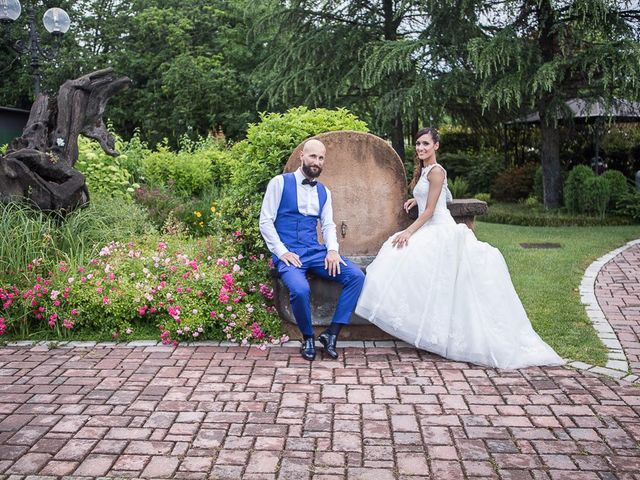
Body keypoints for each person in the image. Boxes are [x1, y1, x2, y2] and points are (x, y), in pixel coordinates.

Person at [355, 128, 564, 369]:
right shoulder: (425, 171)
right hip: (430, 225)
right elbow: (439, 198)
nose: (420, 148)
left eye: (425, 144)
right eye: (418, 144)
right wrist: (416, 199)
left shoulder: (437, 171)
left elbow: (431, 211)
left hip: (439, 229)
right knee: (408, 267)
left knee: (406, 258)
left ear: (436, 146)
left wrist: (408, 231)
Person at [259, 139, 365, 361]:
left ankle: (331, 335)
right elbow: (265, 222)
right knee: (300, 290)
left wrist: (332, 250)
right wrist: (281, 252)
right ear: (302, 156)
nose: (316, 161)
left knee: (356, 276)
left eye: (321, 158)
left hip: (315, 252)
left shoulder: (324, 192)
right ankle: (307, 337)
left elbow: (327, 225)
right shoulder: (279, 183)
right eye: (313, 156)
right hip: (289, 253)